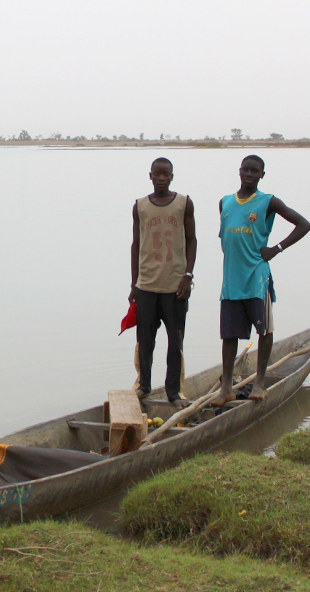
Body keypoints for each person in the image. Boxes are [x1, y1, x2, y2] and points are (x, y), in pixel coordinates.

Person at [210, 155, 310, 406]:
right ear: (239, 171)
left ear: (262, 175)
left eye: (256, 171)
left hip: (257, 277)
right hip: (232, 279)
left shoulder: (268, 202)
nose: (250, 174)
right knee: (229, 335)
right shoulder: (225, 203)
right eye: (246, 169)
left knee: (264, 329)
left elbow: (303, 224)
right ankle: (226, 388)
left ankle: (259, 382)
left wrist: (276, 248)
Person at [129, 157, 197, 408]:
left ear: (171, 177)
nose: (160, 178)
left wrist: (188, 276)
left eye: (165, 174)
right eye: (156, 174)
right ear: (150, 176)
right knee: (144, 340)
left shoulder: (183, 203)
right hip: (147, 285)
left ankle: (174, 391)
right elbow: (136, 245)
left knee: (175, 339)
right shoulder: (140, 206)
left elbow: (192, 240)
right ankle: (143, 384)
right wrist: (133, 284)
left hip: (175, 287)